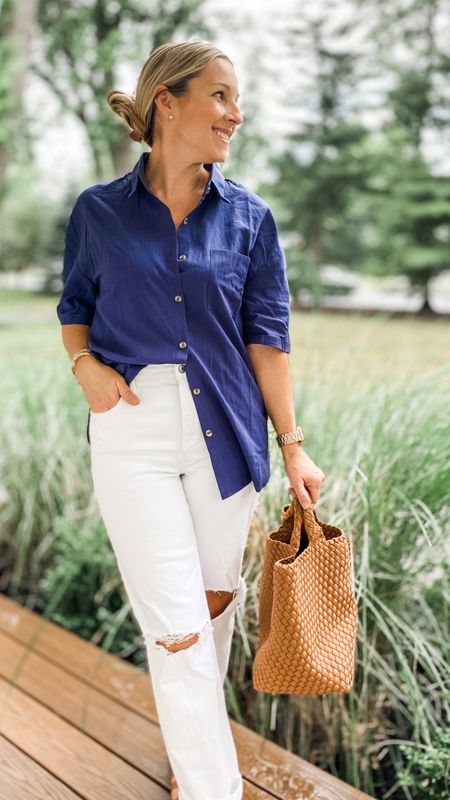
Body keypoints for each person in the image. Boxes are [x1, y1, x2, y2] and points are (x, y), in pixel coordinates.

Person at [56, 39, 325, 800]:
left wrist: (294, 448)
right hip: (131, 430)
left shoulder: (249, 219)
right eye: (220, 96)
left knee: (213, 609)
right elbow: (74, 308)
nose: (235, 115)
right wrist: (86, 368)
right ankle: (215, 787)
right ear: (166, 102)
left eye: (236, 100)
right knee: (176, 627)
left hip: (225, 437)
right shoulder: (98, 213)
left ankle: (191, 755)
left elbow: (266, 344)